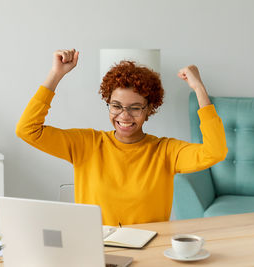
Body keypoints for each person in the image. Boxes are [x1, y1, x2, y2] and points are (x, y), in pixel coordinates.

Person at [16, 49, 228, 226]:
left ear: (149, 109)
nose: (124, 116)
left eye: (135, 108)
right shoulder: (86, 144)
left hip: (148, 250)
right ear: (107, 102)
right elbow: (27, 129)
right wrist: (56, 74)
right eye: (116, 106)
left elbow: (215, 151)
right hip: (98, 250)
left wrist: (199, 88)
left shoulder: (166, 151)